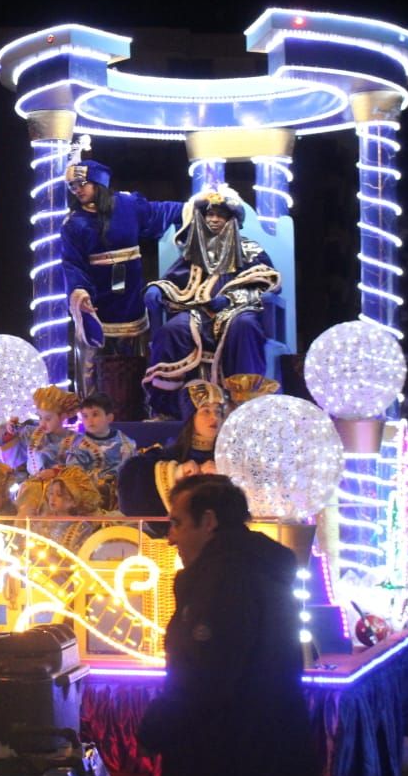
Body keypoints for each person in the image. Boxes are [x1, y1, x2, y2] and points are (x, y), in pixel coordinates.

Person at [137, 474, 313, 776]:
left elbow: (206, 677)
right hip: (272, 751)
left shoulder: (223, 581)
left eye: (177, 523)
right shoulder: (261, 568)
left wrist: (156, 729)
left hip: (223, 756)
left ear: (207, 521)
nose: (171, 538)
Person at [143, 186, 280, 419]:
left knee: (244, 327)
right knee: (172, 330)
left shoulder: (250, 250)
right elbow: (173, 280)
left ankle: (243, 401)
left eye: (220, 215)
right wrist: (157, 288)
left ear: (232, 220)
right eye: (210, 215)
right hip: (199, 310)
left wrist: (230, 299)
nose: (214, 220)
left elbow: (267, 280)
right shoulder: (193, 252)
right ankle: (169, 405)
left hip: (238, 310)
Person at [59, 159, 185, 391]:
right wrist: (80, 293)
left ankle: (138, 404)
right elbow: (72, 264)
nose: (76, 189)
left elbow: (163, 211)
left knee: (134, 360)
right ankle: (92, 410)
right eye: (71, 186)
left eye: (81, 183)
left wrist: (198, 205)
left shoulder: (127, 205)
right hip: (97, 303)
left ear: (99, 183)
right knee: (95, 364)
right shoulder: (72, 224)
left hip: (131, 299)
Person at [119, 379, 227, 519]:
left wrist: (226, 473)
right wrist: (177, 473)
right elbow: (131, 477)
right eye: (205, 411)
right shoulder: (166, 454)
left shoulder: (229, 456)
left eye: (218, 411)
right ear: (191, 417)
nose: (214, 418)